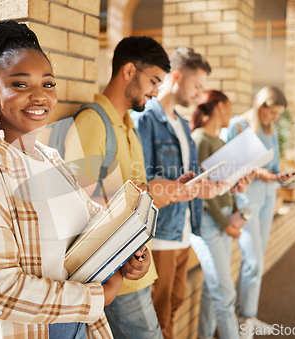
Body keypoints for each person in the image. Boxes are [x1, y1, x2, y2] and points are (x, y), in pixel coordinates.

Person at [0, 20, 148, 338]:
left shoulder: (52, 158)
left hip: (78, 327)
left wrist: (130, 254)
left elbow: (93, 225)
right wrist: (99, 297)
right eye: (21, 84)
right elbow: (1, 292)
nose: (39, 97)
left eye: (48, 84)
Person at [63, 37, 203, 338]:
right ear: (129, 71)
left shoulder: (128, 125)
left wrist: (166, 189)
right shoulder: (92, 124)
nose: (156, 91)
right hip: (114, 274)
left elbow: (135, 189)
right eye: (153, 80)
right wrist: (149, 191)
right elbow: (75, 207)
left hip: (133, 266)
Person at [131, 47, 221, 339]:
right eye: (197, 86)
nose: (199, 94)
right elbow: (139, 178)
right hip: (159, 235)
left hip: (184, 231)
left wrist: (203, 187)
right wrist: (174, 187)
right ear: (178, 76)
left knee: (174, 305)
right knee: (158, 317)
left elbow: (184, 180)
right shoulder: (146, 120)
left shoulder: (183, 125)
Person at [223, 86, 290, 338]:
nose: (274, 119)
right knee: (253, 261)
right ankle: (247, 320)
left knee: (255, 260)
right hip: (246, 199)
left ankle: (245, 314)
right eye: (272, 113)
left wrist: (277, 174)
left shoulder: (271, 131)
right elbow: (227, 167)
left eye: (278, 115)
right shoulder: (238, 126)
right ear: (261, 106)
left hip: (267, 197)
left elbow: (272, 165)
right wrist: (259, 173)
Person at [189, 90, 247, 339]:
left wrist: (235, 214)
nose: (232, 114)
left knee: (214, 292)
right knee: (225, 294)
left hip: (224, 220)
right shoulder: (200, 139)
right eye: (230, 107)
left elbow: (225, 186)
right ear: (220, 106)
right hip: (211, 224)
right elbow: (204, 192)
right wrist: (225, 224)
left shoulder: (221, 142)